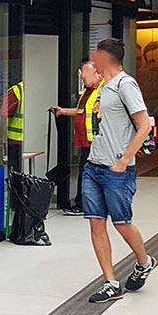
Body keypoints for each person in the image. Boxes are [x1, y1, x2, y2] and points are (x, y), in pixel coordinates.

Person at [82, 38, 156, 304]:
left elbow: (144, 124)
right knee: (96, 223)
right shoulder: (104, 86)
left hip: (116, 169)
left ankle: (144, 261)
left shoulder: (126, 84)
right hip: (94, 165)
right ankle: (111, 282)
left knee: (122, 223)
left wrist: (124, 160)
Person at [50, 58, 104, 216]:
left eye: (84, 77)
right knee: (85, 172)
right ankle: (83, 203)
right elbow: (82, 112)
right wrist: (63, 111)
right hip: (84, 142)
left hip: (94, 142)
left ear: (96, 73)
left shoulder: (102, 90)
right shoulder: (88, 92)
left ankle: (82, 204)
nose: (82, 80)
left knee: (88, 174)